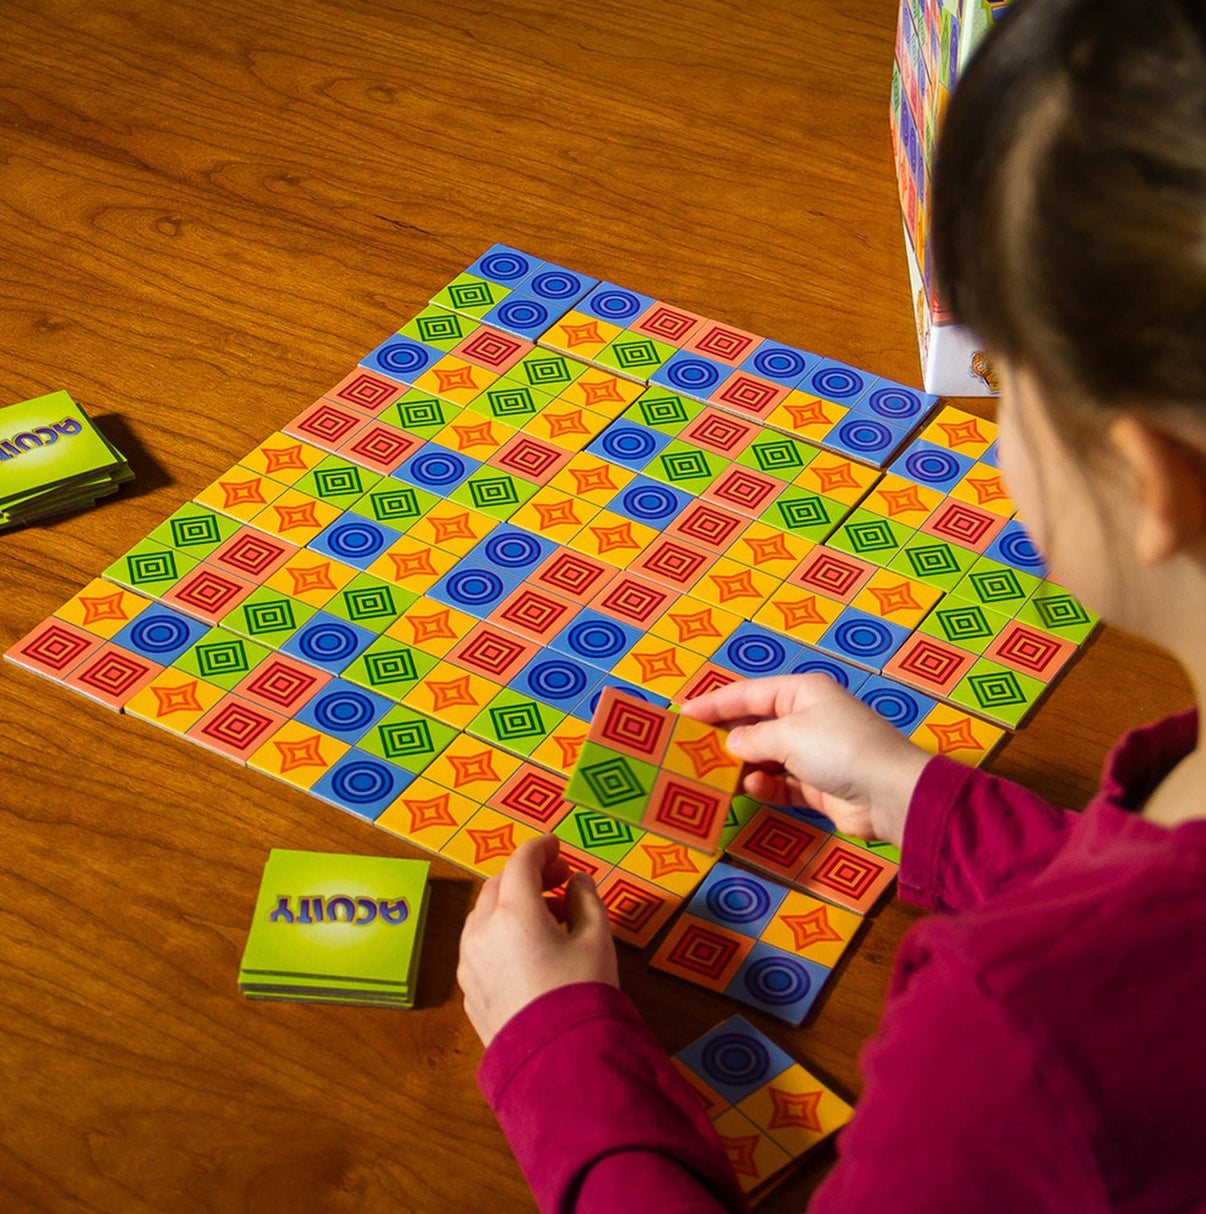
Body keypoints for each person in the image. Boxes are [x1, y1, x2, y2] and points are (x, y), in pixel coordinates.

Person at [456, 0, 1206, 1208]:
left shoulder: (1004, 1040)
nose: (987, 429)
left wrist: (555, 1047)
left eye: (1002, 377)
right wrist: (925, 803)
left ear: (1147, 478)